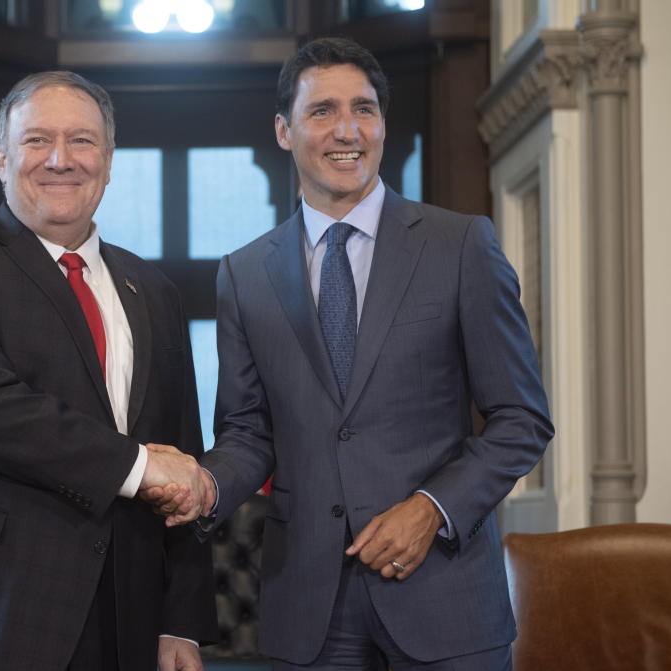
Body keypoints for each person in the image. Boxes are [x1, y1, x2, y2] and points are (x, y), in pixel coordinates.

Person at [150, 37, 554, 670]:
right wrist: (202, 484)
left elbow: (522, 419)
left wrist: (433, 508)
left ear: (383, 125)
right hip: (308, 606)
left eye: (364, 109)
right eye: (323, 111)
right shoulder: (244, 273)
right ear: (284, 130)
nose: (348, 130)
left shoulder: (461, 245)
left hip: (445, 599)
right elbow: (248, 431)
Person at [0, 71, 217, 671]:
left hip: (129, 617)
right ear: (3, 159)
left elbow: (181, 453)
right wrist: (139, 466)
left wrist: (182, 621)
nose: (60, 160)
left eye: (82, 142)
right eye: (37, 141)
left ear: (109, 163)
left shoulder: (154, 290)